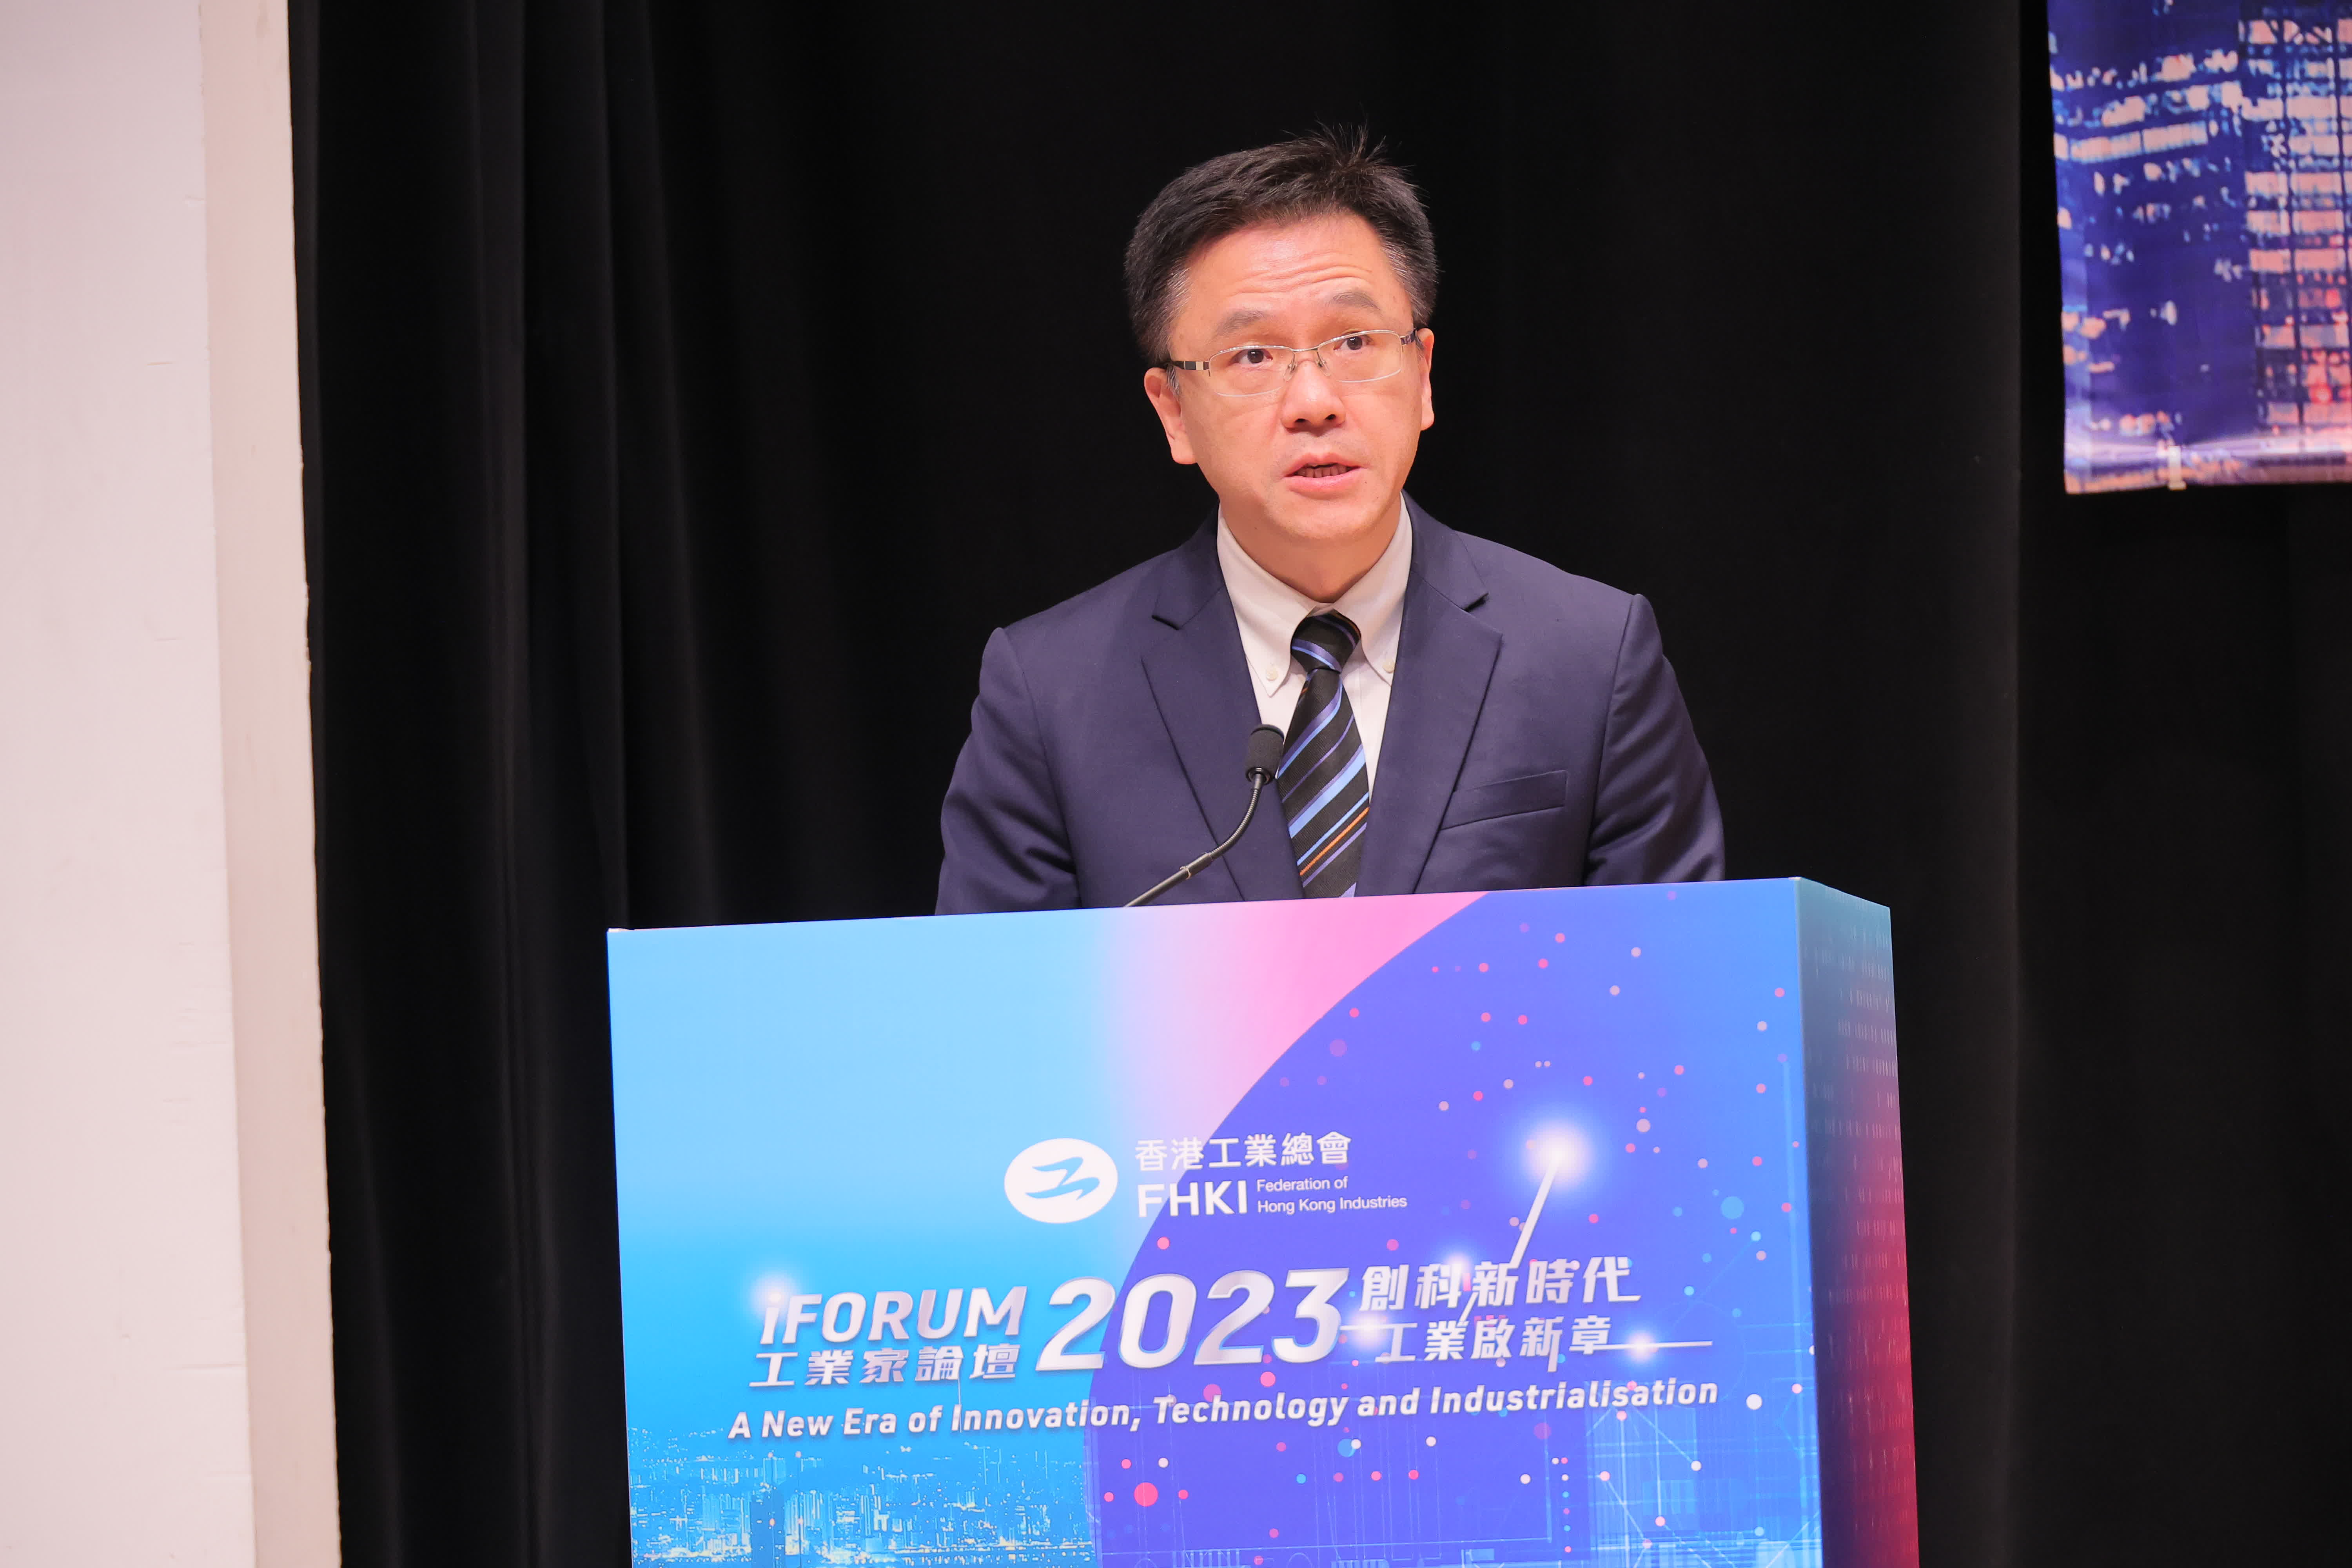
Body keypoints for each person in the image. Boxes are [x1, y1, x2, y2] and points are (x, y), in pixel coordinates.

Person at [936, 131, 1722, 913]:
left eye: (1354, 341)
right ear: (1172, 410)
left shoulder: (1592, 659)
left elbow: (1676, 972)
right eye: (1253, 356)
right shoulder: (1048, 695)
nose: (1314, 402)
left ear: (1423, 374)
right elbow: (995, 990)